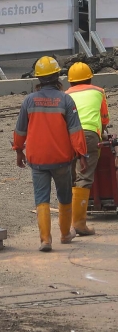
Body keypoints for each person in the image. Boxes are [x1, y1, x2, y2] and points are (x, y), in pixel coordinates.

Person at [13, 56, 88, 252]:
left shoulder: (29, 100)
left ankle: (45, 240)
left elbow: (20, 131)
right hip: (62, 159)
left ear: (38, 78)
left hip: (37, 159)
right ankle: (64, 234)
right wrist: (81, 154)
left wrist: (19, 152)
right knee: (64, 196)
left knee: (41, 198)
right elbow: (75, 130)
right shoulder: (65, 99)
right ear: (57, 76)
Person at [66, 62, 110, 236]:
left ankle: (66, 223)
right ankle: (79, 224)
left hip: (68, 136)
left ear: (70, 82)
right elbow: (104, 118)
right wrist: (102, 131)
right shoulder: (98, 91)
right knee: (84, 176)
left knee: (70, 176)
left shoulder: (65, 95)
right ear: (90, 78)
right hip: (90, 135)